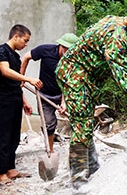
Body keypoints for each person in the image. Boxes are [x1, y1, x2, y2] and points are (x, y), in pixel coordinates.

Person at [55, 2, 127, 191]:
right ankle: (79, 181)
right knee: (82, 125)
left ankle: (94, 167)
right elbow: (120, 72)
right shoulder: (118, 35)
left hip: (86, 79)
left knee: (86, 123)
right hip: (74, 74)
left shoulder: (123, 28)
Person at [20, 33, 79, 153]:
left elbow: (68, 82)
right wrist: (22, 77)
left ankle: (78, 149)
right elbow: (26, 57)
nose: (69, 53)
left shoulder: (73, 60)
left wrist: (64, 102)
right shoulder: (45, 50)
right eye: (67, 49)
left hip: (63, 93)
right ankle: (50, 151)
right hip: (44, 95)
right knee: (49, 124)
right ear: (61, 45)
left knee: (78, 118)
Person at [0, 25, 43, 185]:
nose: (26, 45)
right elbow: (5, 71)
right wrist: (29, 79)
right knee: (3, 136)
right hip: (3, 100)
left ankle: (10, 168)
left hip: (15, 99)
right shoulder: (2, 51)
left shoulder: (16, 57)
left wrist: (25, 101)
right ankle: (1, 172)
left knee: (14, 136)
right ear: (16, 36)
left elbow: (16, 84)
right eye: (25, 40)